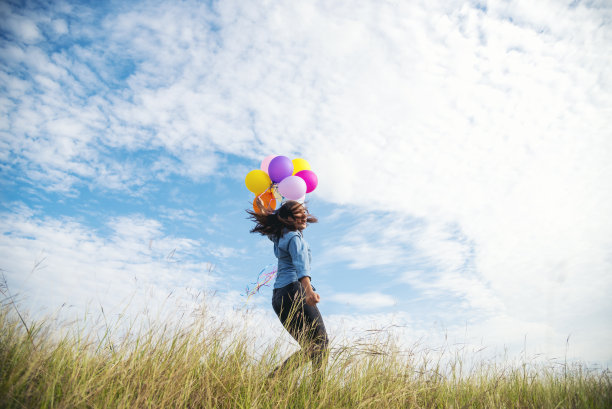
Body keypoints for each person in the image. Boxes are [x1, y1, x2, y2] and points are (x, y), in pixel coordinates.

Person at [247, 199, 329, 378]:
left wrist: (263, 212)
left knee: (312, 347)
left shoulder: (280, 236)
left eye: (304, 212)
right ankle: (317, 394)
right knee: (321, 343)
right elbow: (301, 265)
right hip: (295, 291)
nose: (305, 216)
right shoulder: (293, 237)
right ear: (289, 218)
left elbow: (271, 233)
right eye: (299, 213)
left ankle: (273, 379)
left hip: (279, 298)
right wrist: (309, 291)